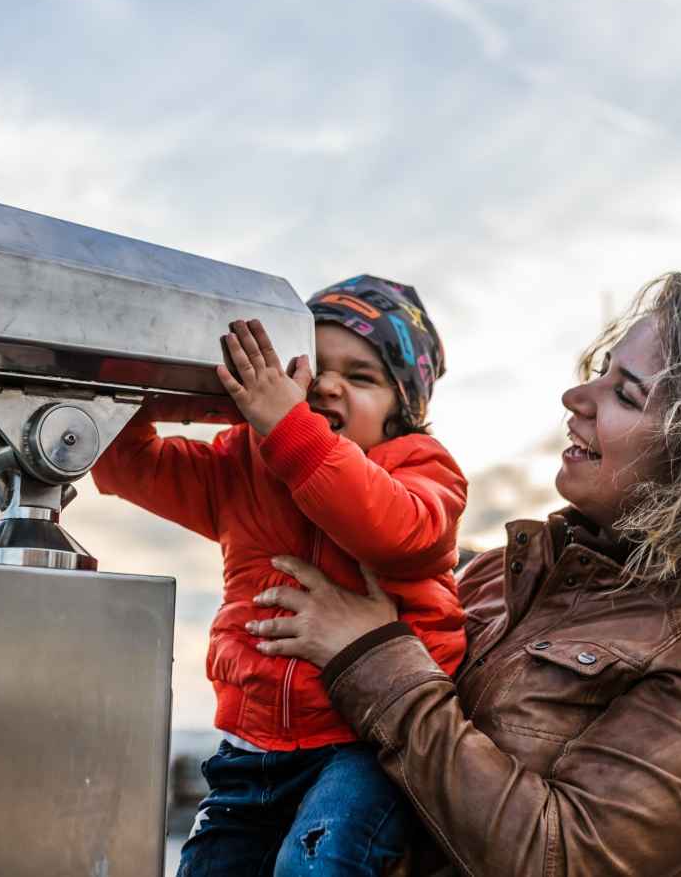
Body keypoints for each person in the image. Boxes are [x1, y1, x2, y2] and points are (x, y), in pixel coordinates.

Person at [247, 272, 681, 875]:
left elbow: (563, 858)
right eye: (600, 372)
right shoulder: (498, 573)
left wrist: (370, 654)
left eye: (625, 395)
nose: (576, 397)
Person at [92, 275, 467, 876]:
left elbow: (396, 531)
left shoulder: (423, 468)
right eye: (311, 368)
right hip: (251, 748)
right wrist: (202, 397)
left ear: (403, 412)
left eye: (361, 376)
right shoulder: (242, 463)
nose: (327, 386)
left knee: (314, 864)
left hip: (366, 744)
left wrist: (290, 428)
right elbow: (122, 459)